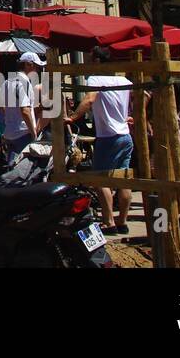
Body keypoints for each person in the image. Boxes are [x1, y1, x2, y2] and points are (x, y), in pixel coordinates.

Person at [65, 46, 134, 235]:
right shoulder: (124, 80)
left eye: (88, 58)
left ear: (96, 61)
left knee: (100, 179)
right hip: (125, 136)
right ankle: (123, 221)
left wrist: (73, 117)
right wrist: (129, 115)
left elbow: (89, 100)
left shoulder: (95, 79)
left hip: (108, 136)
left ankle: (109, 221)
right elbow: (138, 97)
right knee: (124, 180)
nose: (86, 62)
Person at [0, 52, 43, 163]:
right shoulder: (24, 82)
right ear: (28, 65)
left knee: (11, 167)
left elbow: (1, 105)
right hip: (23, 133)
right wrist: (33, 133)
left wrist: (10, 119)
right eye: (37, 66)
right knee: (22, 170)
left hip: (9, 132)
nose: (38, 69)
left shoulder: (7, 82)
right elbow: (25, 110)